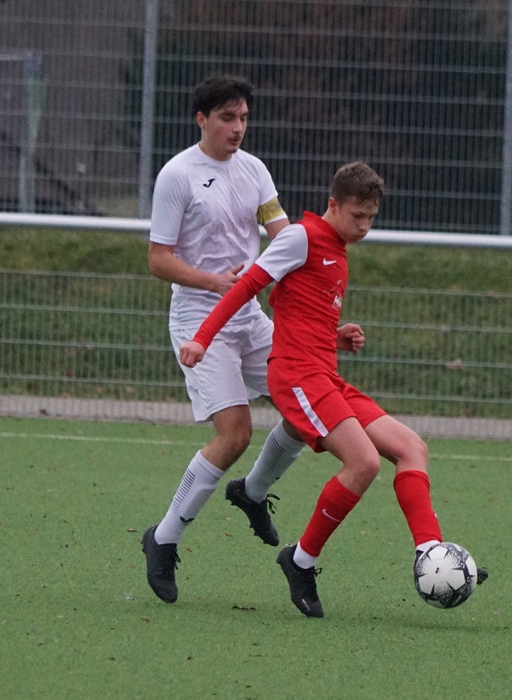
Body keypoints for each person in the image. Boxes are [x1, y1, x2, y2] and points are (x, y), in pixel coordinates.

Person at [180, 161, 486, 618]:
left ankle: (431, 553)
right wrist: (202, 338)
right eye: (357, 215)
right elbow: (247, 287)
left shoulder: (337, 249)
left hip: (325, 375)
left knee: (412, 448)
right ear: (333, 205)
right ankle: (300, 562)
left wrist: (336, 336)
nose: (364, 226)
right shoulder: (301, 237)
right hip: (297, 376)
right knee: (364, 463)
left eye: (371, 218)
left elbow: (299, 308)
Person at [141, 74, 309, 604]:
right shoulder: (177, 175)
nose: (237, 128)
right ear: (202, 119)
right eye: (227, 118)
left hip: (249, 316)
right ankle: (163, 538)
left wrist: (293, 273)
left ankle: (252, 492)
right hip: (199, 320)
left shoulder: (254, 170)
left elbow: (282, 237)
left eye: (243, 119)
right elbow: (158, 259)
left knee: (306, 407)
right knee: (234, 434)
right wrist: (216, 282)